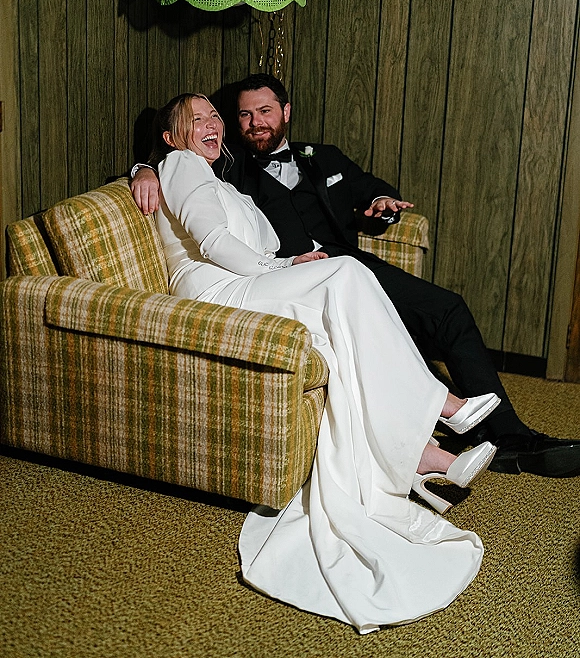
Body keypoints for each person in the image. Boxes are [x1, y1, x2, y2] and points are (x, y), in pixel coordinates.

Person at [152, 91, 500, 632]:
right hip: (216, 293)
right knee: (347, 274)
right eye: (195, 119)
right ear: (172, 136)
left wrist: (289, 259)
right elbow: (214, 240)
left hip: (246, 282)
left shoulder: (222, 179)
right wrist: (283, 267)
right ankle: (442, 406)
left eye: (214, 115)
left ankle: (419, 457)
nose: (211, 124)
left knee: (345, 343)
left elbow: (257, 236)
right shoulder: (180, 165)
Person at [131, 74, 580, 478]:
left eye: (264, 111)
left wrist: (382, 203)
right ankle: (447, 422)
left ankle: (494, 435)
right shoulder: (231, 167)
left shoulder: (321, 157)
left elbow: (369, 188)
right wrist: (145, 167)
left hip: (338, 265)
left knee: (446, 309)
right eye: (244, 115)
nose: (254, 122)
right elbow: (180, 172)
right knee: (349, 310)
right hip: (293, 277)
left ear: (286, 112)